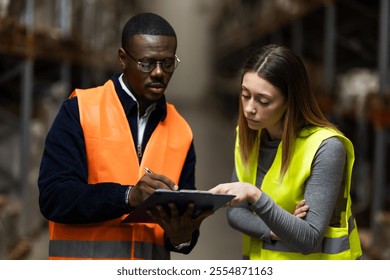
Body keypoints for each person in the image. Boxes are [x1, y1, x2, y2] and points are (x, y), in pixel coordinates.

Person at [38, 12, 212, 260]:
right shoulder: (80, 111)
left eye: (168, 63)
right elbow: (54, 197)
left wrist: (182, 236)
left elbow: (181, 231)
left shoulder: (180, 130)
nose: (159, 73)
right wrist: (128, 197)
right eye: (147, 63)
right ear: (123, 59)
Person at [209, 44, 363, 260]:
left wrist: (255, 196)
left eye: (263, 101)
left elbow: (308, 238)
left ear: (290, 101)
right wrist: (275, 228)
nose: (249, 109)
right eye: (245, 95)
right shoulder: (248, 137)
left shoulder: (325, 147)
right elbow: (236, 213)